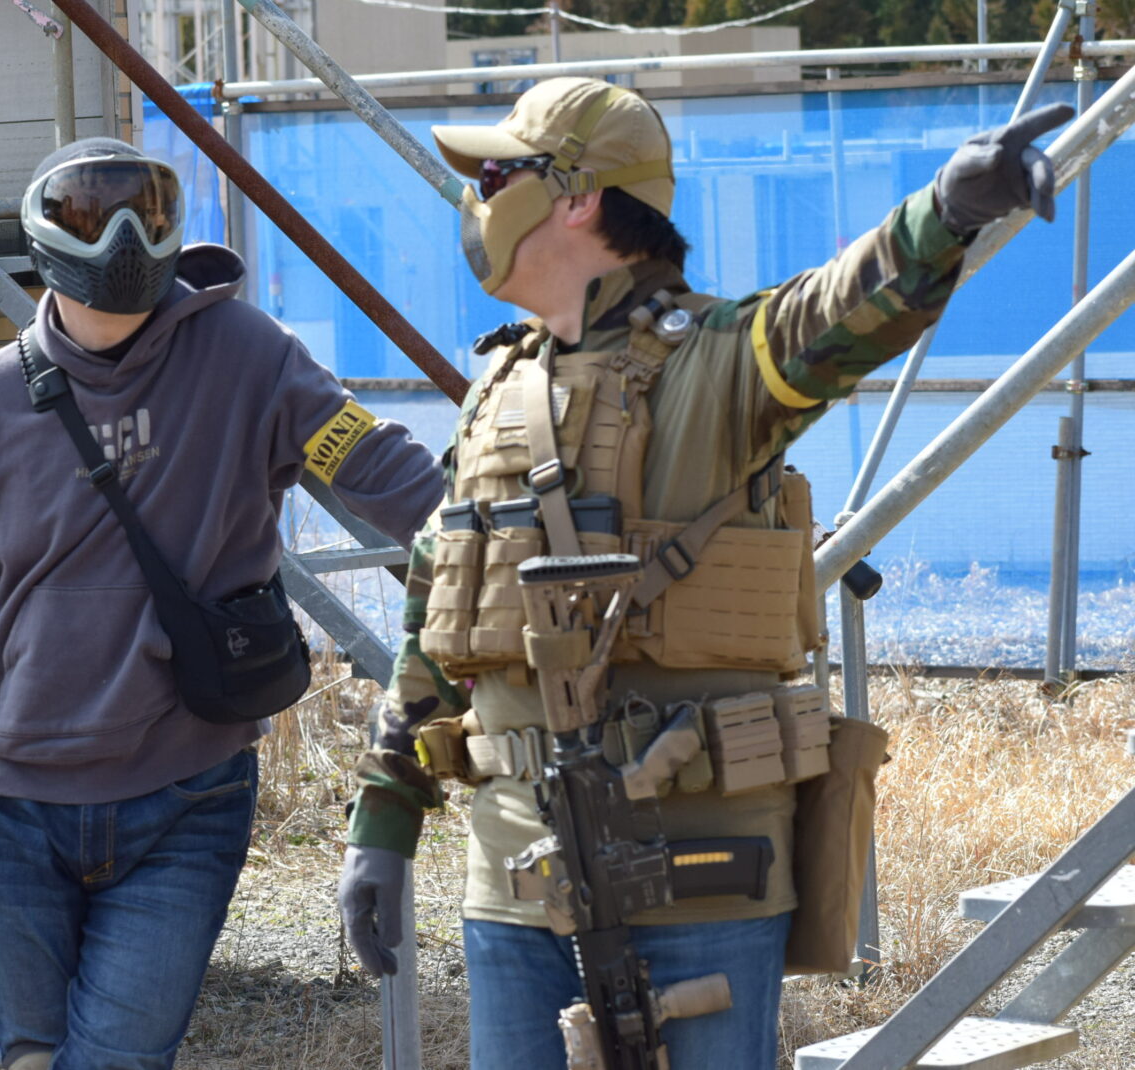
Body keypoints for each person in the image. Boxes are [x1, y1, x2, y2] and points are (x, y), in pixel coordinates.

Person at [337, 77, 1071, 1069]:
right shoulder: (498, 386)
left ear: (576, 197)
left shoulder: (716, 363)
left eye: (498, 175)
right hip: (511, 874)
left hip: (700, 876)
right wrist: (382, 820)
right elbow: (437, 606)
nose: (479, 198)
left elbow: (830, 314)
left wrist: (943, 214)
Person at [0, 137, 443, 1070]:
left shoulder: (247, 355)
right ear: (46, 243)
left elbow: (380, 469)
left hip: (188, 792)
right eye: (90, 215)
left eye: (143, 213)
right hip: (12, 805)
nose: (120, 238)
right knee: (31, 1056)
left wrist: (504, 535)